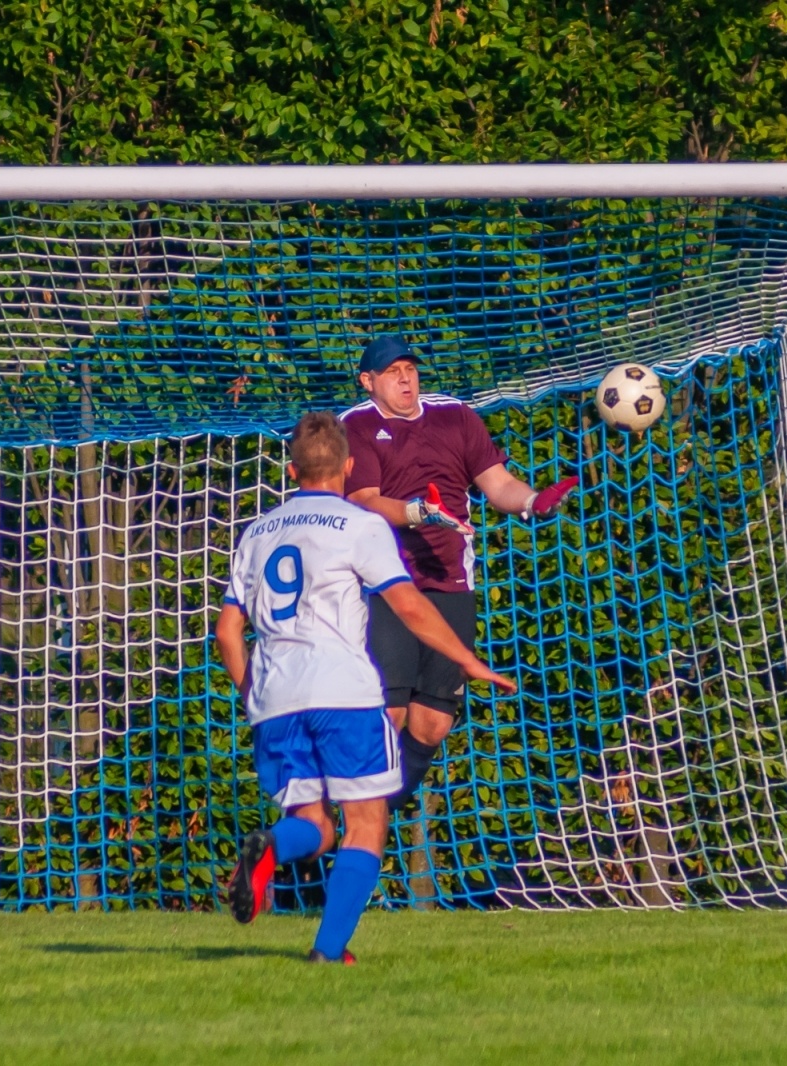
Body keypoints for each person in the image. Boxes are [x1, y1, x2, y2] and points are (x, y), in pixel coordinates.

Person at [215, 411, 515, 964]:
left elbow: (228, 631)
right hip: (343, 694)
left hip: (276, 700)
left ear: (292, 469)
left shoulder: (256, 533)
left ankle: (274, 847)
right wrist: (467, 660)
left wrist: (252, 694)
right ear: (349, 467)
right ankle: (328, 952)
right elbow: (408, 606)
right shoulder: (360, 524)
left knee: (314, 826)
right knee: (366, 824)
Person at [340, 335, 577, 812]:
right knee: (390, 711)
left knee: (432, 724)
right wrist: (417, 513)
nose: (406, 377)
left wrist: (532, 502)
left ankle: (371, 816)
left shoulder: (455, 416)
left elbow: (499, 485)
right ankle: (343, 816)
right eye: (392, 371)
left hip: (451, 582)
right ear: (368, 382)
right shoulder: (356, 425)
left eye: (410, 367)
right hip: (388, 586)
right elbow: (362, 501)